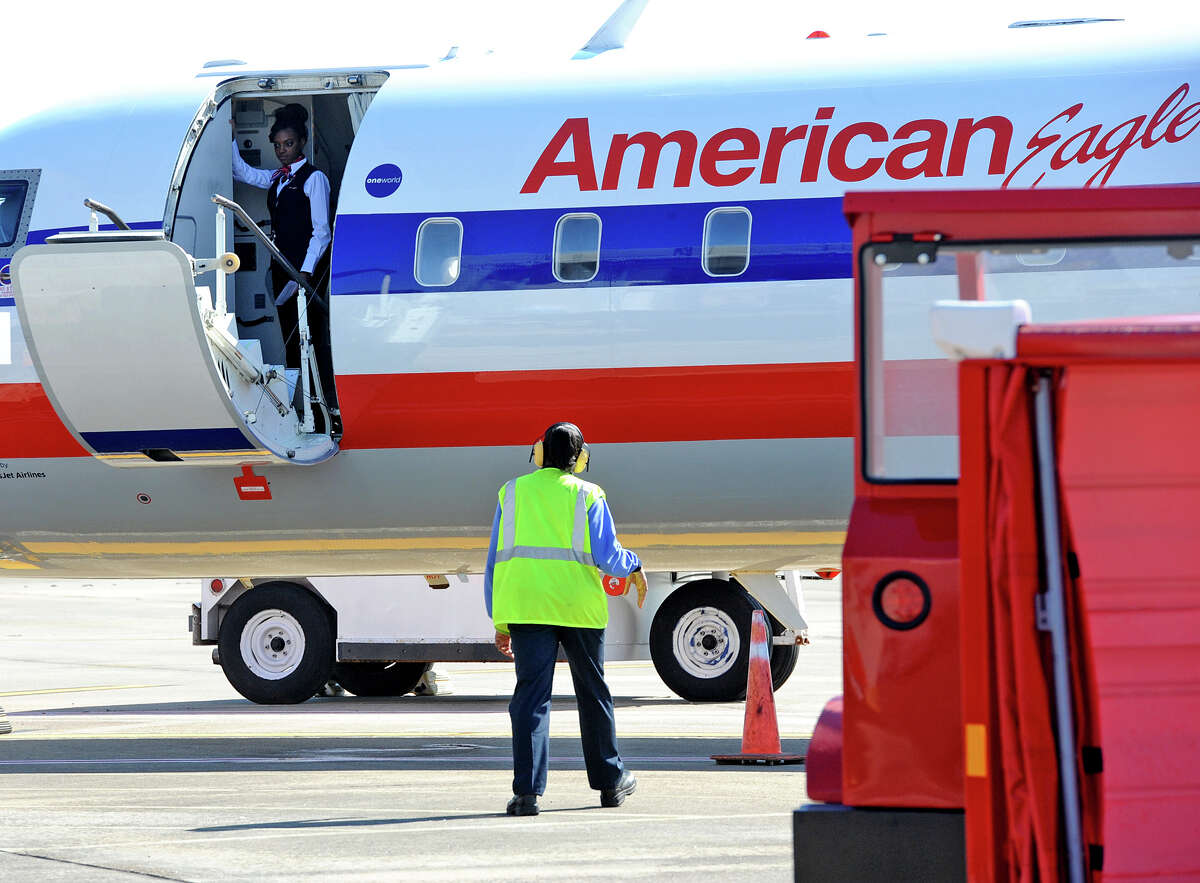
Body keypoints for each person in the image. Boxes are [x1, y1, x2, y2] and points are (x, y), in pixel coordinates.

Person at [484, 421, 648, 816]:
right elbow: (609, 558)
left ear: (538, 453)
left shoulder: (512, 492)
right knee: (593, 694)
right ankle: (610, 783)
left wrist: (500, 620)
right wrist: (635, 563)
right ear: (580, 459)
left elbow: (494, 562)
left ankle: (526, 794)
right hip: (578, 610)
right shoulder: (589, 495)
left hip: (526, 609)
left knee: (531, 699)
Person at [231, 104, 337, 429]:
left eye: (288, 144)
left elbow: (322, 232)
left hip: (305, 273)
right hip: (283, 271)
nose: (281, 151)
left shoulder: (314, 178)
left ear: (302, 142)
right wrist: (232, 138)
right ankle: (301, 411)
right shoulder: (278, 178)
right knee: (291, 341)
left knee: (312, 340)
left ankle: (324, 411)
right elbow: (243, 174)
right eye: (277, 145)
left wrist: (304, 273)